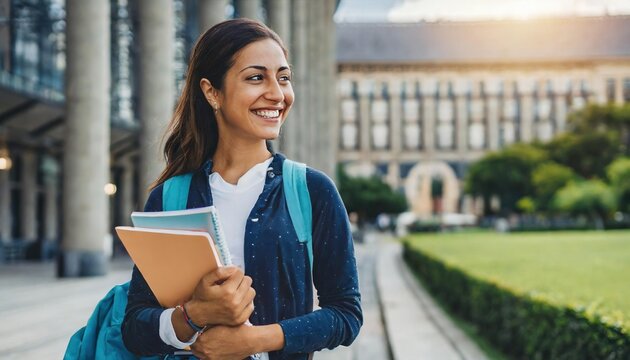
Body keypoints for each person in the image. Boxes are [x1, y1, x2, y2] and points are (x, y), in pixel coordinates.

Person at [121, 19, 363, 360]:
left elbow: (346, 315)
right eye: (256, 77)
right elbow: (135, 328)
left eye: (283, 78)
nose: (277, 94)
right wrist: (193, 316)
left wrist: (255, 340)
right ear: (212, 92)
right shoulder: (170, 197)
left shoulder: (312, 190)